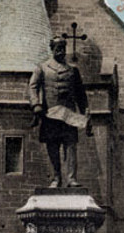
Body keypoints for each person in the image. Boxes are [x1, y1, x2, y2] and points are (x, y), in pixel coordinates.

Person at [29, 36, 91, 188]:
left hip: (69, 116)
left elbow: (80, 94)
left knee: (71, 145)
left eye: (63, 47)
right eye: (57, 48)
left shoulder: (73, 71)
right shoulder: (42, 68)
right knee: (52, 146)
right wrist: (36, 104)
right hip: (50, 114)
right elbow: (33, 86)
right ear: (52, 49)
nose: (61, 51)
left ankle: (71, 178)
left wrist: (86, 112)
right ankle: (56, 178)